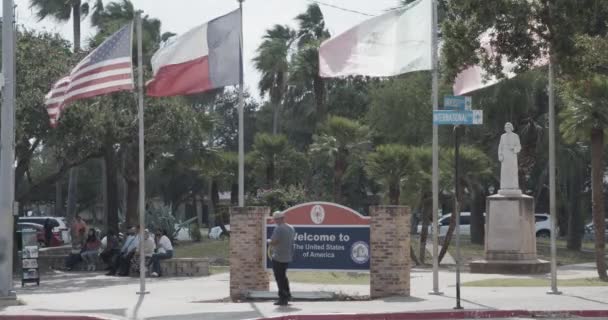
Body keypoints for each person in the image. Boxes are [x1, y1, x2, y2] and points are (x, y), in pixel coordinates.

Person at [268, 211, 295, 306]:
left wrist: (269, 241)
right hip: (287, 256)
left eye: (275, 219)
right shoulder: (291, 228)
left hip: (278, 257)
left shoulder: (278, 229)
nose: (274, 221)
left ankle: (283, 298)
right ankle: (287, 295)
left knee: (279, 278)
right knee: (283, 277)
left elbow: (274, 242)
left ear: (279, 219)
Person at [498, 122, 522, 191]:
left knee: (513, 171)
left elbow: (519, 146)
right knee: (505, 172)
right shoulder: (502, 136)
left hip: (512, 155)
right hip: (505, 156)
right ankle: (504, 186)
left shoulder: (515, 136)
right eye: (506, 128)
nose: (507, 129)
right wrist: (500, 155)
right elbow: (500, 147)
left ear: (511, 128)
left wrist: (514, 148)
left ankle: (513, 186)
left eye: (508, 127)